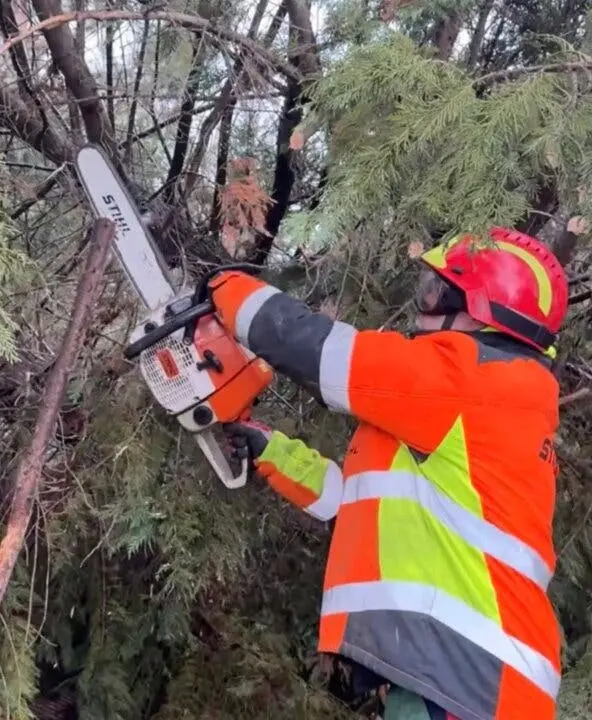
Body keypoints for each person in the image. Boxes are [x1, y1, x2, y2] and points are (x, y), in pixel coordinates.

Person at [211, 227, 567, 720]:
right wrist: (273, 452)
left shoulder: (480, 380)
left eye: (437, 291)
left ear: (484, 309)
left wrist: (220, 288)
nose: (423, 303)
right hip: (469, 682)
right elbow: (357, 505)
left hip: (471, 681)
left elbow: (329, 357)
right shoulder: (478, 406)